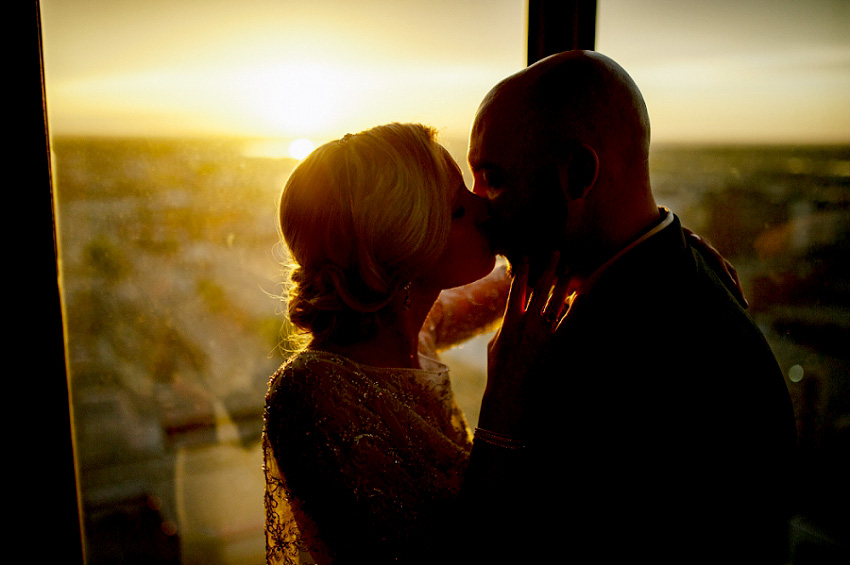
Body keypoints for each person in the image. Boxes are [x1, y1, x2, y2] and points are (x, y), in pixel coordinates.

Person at [461, 50, 798, 563]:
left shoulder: (621, 358)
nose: (481, 206)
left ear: (577, 174)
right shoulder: (674, 276)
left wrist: (499, 421)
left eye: (496, 178)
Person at [262, 122, 510, 564]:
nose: (485, 207)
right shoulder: (314, 394)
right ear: (405, 249)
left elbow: (501, 291)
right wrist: (511, 397)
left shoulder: (416, 334)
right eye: (457, 210)